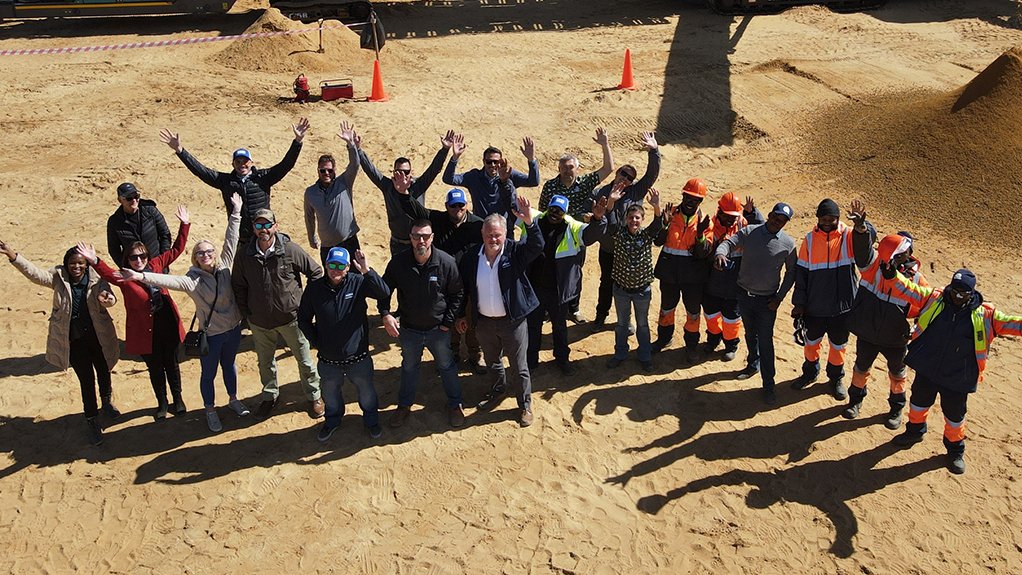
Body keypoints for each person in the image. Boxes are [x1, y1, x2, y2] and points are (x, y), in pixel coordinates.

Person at [121, 193, 250, 433]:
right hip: (212, 335)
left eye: (209, 251)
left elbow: (231, 239)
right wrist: (140, 276)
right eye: (200, 253)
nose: (206, 255)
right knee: (208, 374)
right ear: (195, 258)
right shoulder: (192, 281)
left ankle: (233, 399)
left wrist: (236, 212)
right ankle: (210, 410)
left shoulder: (223, 266)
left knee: (230, 365)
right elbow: (168, 280)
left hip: (233, 330)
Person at [890, 268, 1022, 474]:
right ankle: (915, 431)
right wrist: (892, 275)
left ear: (971, 294)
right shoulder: (935, 299)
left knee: (954, 416)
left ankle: (955, 450)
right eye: (954, 291)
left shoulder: (986, 315)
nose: (957, 297)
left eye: (963, 293)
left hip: (958, 377)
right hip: (928, 367)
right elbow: (910, 291)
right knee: (918, 403)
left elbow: (1012, 324)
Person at [0, 240, 119, 446]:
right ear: (66, 265)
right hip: (74, 341)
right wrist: (14, 256)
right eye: (73, 263)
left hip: (98, 337)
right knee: (86, 380)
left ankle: (107, 402)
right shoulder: (58, 278)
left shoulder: (97, 278)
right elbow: (34, 274)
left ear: (87, 264)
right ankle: (92, 419)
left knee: (104, 369)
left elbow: (111, 297)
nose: (77, 267)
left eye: (81, 263)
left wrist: (108, 300)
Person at [78, 206, 190, 421]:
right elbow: (107, 273)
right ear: (127, 260)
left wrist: (184, 225)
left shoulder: (156, 265)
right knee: (155, 368)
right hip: (144, 331)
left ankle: (178, 399)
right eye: (133, 258)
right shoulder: (125, 276)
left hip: (166, 324)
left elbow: (177, 249)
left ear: (147, 256)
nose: (138, 261)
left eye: (141, 256)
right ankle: (162, 403)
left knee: (172, 364)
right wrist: (94, 260)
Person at [456, 194, 543, 428]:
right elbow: (464, 288)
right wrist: (462, 315)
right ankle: (498, 390)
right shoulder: (472, 257)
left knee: (519, 366)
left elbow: (537, 245)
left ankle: (524, 405)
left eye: (497, 235)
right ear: (482, 235)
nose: (493, 239)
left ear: (504, 235)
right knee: (493, 361)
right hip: (484, 321)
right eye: (489, 235)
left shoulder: (515, 252)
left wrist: (529, 222)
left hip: (512, 321)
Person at [232, 208, 324, 420]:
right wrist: (247, 313)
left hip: (291, 319)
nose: (263, 229)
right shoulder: (245, 254)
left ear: (275, 226)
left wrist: (305, 305)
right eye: (259, 225)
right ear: (254, 228)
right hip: (260, 321)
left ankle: (314, 396)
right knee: (265, 363)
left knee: (305, 360)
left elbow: (316, 272)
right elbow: (238, 285)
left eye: (267, 225)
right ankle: (269, 395)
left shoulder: (289, 249)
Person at [159, 118, 310, 246]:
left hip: (264, 236)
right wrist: (180, 150)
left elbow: (286, 165)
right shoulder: (226, 182)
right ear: (233, 164)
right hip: (241, 240)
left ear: (251, 162)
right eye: (238, 161)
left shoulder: (263, 178)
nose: (241, 164)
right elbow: (201, 171)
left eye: (245, 161)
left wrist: (297, 141)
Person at [842, 200, 927, 428]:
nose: (896, 257)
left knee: (898, 375)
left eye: (902, 253)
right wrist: (861, 229)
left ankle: (896, 410)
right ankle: (855, 402)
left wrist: (917, 333)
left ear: (909, 253)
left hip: (895, 339)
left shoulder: (917, 280)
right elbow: (862, 252)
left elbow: (925, 311)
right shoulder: (874, 267)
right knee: (861, 368)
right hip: (868, 333)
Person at [298, 247, 391, 442]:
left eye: (341, 266)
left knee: (366, 392)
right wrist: (317, 342)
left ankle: (372, 421)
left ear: (348, 267)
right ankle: (332, 421)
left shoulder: (358, 283)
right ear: (326, 265)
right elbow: (303, 319)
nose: (336, 269)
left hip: (358, 356)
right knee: (330, 395)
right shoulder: (315, 289)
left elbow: (383, 292)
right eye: (332, 264)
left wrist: (367, 271)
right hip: (328, 359)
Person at [394, 178, 486, 373]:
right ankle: (452, 352)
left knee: (471, 319)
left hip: (470, 281)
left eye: (461, 205)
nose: (457, 209)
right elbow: (415, 210)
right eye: (453, 206)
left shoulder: (478, 225)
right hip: (445, 282)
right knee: (448, 318)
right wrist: (403, 193)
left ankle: (475, 354)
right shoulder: (438, 220)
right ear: (447, 206)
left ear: (466, 206)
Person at [380, 220, 465, 428]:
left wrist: (447, 322)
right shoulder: (399, 263)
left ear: (432, 238)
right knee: (409, 368)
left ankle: (455, 405)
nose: (421, 241)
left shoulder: (445, 262)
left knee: (446, 366)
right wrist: (385, 314)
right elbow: (384, 289)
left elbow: (458, 293)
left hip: (438, 330)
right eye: (416, 236)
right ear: (410, 237)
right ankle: (404, 406)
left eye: (425, 236)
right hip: (409, 330)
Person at [714, 202, 797, 405]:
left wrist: (779, 297)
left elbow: (792, 273)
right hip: (744, 295)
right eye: (776, 217)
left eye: (783, 221)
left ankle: (768, 385)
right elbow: (729, 242)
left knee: (766, 341)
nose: (778, 222)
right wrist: (720, 253)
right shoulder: (749, 231)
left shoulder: (788, 243)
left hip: (767, 302)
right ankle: (753, 364)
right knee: (750, 334)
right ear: (769, 214)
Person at [791, 198, 874, 400]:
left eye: (831, 219)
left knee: (838, 347)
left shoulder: (848, 235)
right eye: (823, 218)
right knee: (811, 344)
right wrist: (799, 303)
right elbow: (801, 274)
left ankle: (835, 378)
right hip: (815, 307)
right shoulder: (809, 240)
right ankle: (810, 372)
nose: (827, 222)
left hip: (842, 308)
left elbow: (866, 245)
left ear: (838, 218)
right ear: (818, 219)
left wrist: (862, 227)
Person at [519, 194, 608, 375]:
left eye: (559, 211)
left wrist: (598, 219)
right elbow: (513, 208)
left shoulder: (571, 226)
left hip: (558, 290)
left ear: (565, 213)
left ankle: (562, 359)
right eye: (552, 209)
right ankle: (531, 359)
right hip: (534, 287)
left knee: (559, 327)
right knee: (533, 326)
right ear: (548, 208)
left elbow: (590, 236)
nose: (555, 213)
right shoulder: (534, 218)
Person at [537, 128, 614, 323]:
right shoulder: (550, 186)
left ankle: (574, 308)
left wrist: (605, 144)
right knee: (550, 270)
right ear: (559, 169)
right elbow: (542, 211)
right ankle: (549, 308)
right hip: (554, 234)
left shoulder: (585, 182)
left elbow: (608, 169)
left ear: (577, 168)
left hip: (577, 235)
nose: (567, 170)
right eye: (563, 167)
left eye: (570, 166)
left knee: (575, 272)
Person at [591, 131, 661, 328]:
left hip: (630, 250)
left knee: (628, 286)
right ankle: (600, 316)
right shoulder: (601, 193)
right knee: (606, 284)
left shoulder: (635, 191)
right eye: (624, 174)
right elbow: (595, 218)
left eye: (630, 178)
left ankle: (626, 320)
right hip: (608, 248)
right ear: (617, 173)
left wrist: (654, 151)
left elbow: (651, 175)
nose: (626, 179)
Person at [358, 130, 455, 256]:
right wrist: (358, 150)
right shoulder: (388, 186)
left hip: (420, 242)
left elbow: (434, 169)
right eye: (399, 172)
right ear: (393, 172)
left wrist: (445, 149)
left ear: (411, 172)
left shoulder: (419, 185)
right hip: (398, 244)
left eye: (406, 172)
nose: (403, 176)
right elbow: (370, 170)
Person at [652, 178, 714, 362]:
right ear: (683, 195)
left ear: (700, 201)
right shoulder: (670, 215)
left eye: (695, 199)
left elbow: (703, 254)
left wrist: (701, 235)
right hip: (670, 275)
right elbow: (657, 241)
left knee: (693, 313)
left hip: (693, 279)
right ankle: (663, 339)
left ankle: (691, 346)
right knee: (667, 309)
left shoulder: (704, 222)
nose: (690, 201)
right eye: (688, 197)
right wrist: (664, 225)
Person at [606, 188, 663, 372]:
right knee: (622, 324)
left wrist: (656, 206)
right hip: (621, 289)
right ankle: (620, 354)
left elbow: (658, 225)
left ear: (642, 220)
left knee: (643, 324)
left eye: (637, 218)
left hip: (641, 290)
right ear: (626, 219)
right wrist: (611, 202)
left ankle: (645, 356)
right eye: (631, 218)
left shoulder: (647, 235)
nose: (634, 221)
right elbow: (610, 218)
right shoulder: (619, 233)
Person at [702, 192, 763, 362]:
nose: (731, 221)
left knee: (732, 318)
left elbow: (763, 230)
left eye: (734, 217)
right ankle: (713, 339)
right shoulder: (710, 225)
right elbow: (703, 250)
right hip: (713, 282)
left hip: (735, 284)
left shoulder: (743, 223)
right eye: (728, 217)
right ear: (719, 211)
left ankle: (731, 345)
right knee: (711, 315)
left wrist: (752, 213)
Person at [442, 134, 540, 223]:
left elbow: (533, 182)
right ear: (484, 161)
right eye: (489, 162)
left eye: (496, 162)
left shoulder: (509, 174)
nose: (493, 165)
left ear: (501, 162)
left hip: (504, 228)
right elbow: (448, 179)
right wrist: (455, 157)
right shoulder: (474, 177)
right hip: (480, 226)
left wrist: (531, 160)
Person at [305, 121, 362, 263]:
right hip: (327, 246)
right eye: (322, 170)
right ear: (318, 171)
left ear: (334, 170)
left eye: (330, 170)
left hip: (349, 241)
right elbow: (309, 217)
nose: (326, 173)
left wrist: (350, 144)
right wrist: (312, 238)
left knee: (355, 278)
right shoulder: (310, 192)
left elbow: (355, 164)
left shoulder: (344, 182)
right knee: (331, 280)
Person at [106, 182, 171, 267]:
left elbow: (165, 234)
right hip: (134, 268)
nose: (134, 200)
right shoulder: (115, 221)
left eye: (136, 196)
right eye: (129, 198)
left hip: (157, 265)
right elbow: (114, 250)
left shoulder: (150, 211)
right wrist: (126, 267)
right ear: (120, 200)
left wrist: (163, 260)